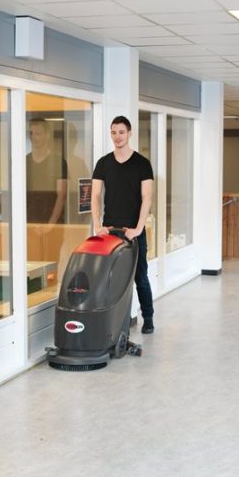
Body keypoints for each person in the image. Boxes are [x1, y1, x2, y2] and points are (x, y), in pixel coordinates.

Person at [91, 115, 155, 334]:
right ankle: (115, 322)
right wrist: (97, 226)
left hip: (133, 233)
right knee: (110, 280)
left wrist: (138, 228)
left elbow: (147, 197)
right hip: (109, 233)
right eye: (113, 132)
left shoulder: (142, 164)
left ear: (129, 133)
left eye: (121, 132)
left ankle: (148, 318)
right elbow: (95, 196)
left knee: (140, 278)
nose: (117, 136)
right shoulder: (103, 163)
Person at [26, 118, 67, 225]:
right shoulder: (24, 162)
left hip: (52, 223)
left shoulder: (58, 162)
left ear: (47, 135)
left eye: (38, 133)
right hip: (28, 222)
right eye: (31, 133)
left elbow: (62, 195)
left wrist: (51, 224)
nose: (33, 137)